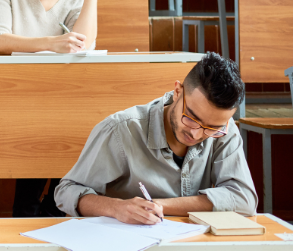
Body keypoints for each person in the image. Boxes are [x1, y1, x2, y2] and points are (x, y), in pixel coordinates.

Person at [0, 0, 102, 217]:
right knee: (42, 138)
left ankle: (52, 210)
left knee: (80, 132)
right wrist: (52, 42)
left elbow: (84, 45)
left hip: (58, 98)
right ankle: (32, 214)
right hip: (13, 95)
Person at [54, 52, 257, 224]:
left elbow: (244, 199)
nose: (197, 134)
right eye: (191, 118)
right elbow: (66, 191)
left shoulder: (223, 130)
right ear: (177, 92)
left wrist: (158, 206)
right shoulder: (120, 130)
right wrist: (116, 208)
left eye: (211, 128)